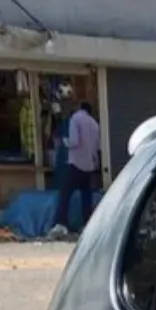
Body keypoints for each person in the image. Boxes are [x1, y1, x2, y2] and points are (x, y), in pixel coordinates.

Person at [51, 100, 100, 238]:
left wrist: (65, 142)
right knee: (86, 195)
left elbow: (74, 141)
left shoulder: (75, 119)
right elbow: (97, 147)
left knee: (65, 193)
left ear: (79, 108)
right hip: (89, 165)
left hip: (76, 163)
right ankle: (87, 223)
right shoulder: (94, 124)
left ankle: (61, 223)